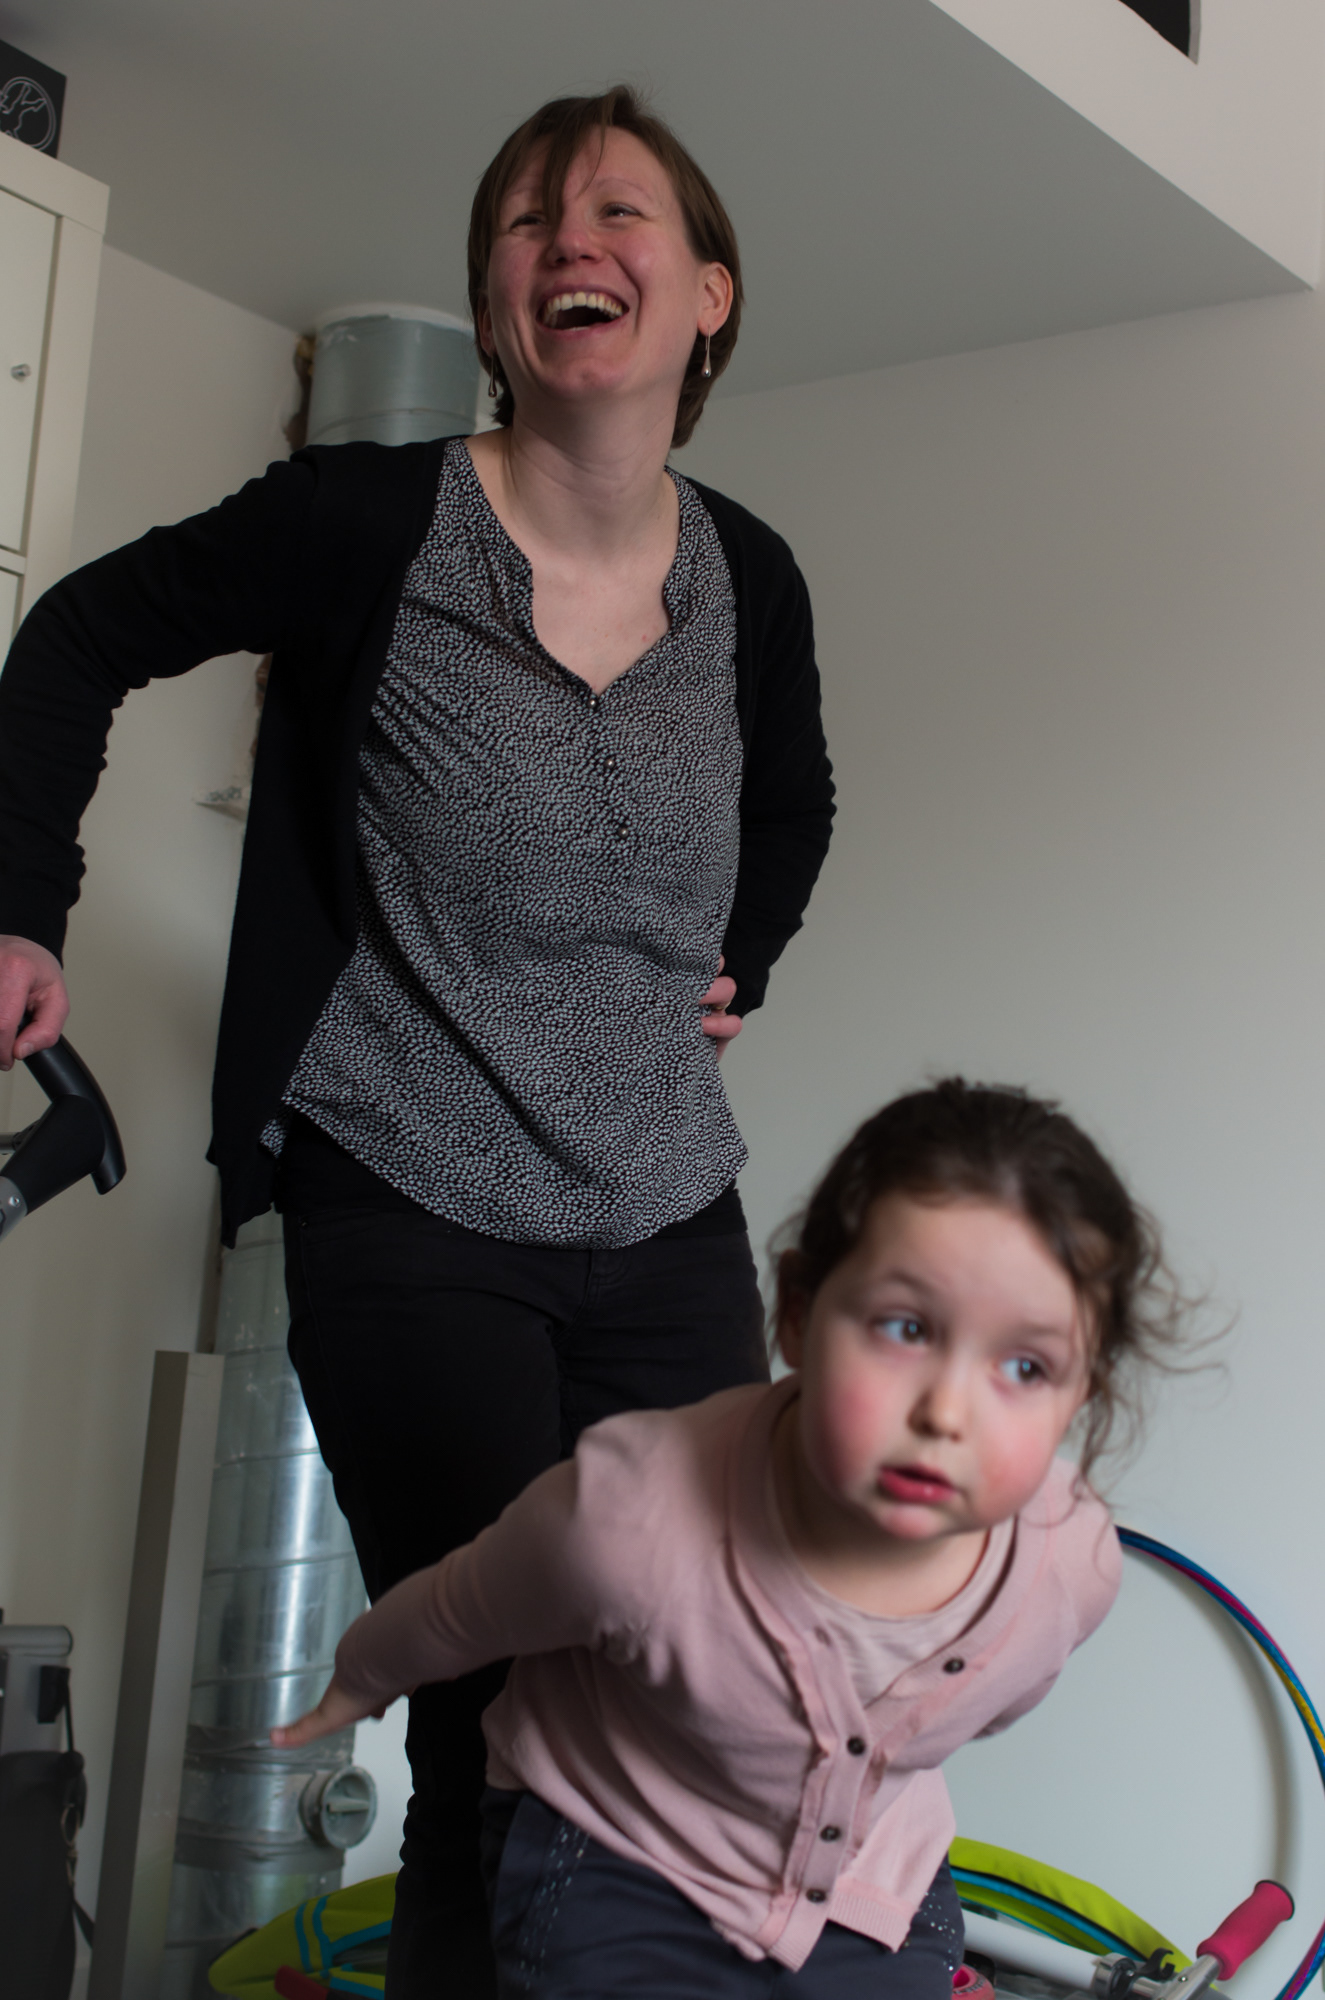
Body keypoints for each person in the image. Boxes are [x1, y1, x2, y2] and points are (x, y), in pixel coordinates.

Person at [0, 86, 834, 1997]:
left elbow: (794, 803)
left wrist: (749, 958)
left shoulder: (752, 578)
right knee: (503, 1705)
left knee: (707, 1679)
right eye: (528, 221)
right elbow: (78, 639)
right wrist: (18, 906)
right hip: (413, 1196)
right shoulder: (372, 522)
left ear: (709, 293)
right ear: (494, 304)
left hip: (667, 1211)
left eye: (618, 212)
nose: (570, 241)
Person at [274, 1078, 1192, 2000]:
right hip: (618, 1851)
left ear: (1081, 1393)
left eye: (1025, 1367)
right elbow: (456, 1607)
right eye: (905, 1328)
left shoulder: (1068, 1569)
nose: (945, 1413)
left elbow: (973, 1707)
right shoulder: (632, 1517)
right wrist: (357, 1679)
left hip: (868, 1876)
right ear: (796, 1310)